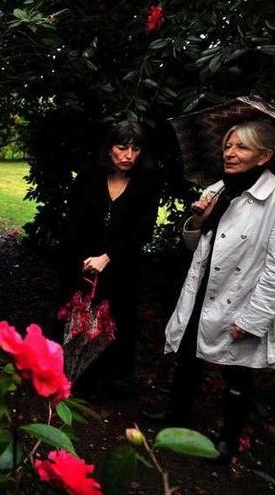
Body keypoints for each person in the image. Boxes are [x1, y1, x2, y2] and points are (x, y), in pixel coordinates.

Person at [147, 120, 275, 462]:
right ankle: (176, 418)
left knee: (238, 373)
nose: (230, 153)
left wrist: (253, 319)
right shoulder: (218, 189)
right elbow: (194, 246)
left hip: (242, 299)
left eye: (241, 147)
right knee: (187, 357)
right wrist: (197, 220)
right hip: (202, 290)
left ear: (264, 156)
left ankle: (228, 439)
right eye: (227, 145)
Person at [61, 121, 160, 392]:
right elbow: (73, 221)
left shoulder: (147, 184)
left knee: (115, 323)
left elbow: (143, 231)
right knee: (78, 319)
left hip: (122, 269)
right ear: (109, 149)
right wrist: (82, 260)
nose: (128, 155)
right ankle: (72, 378)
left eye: (135, 148)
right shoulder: (89, 177)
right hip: (83, 265)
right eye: (122, 147)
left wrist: (108, 256)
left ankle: (104, 385)